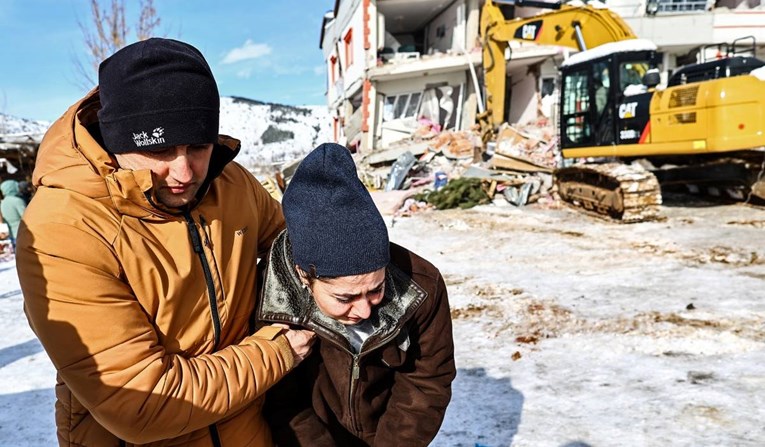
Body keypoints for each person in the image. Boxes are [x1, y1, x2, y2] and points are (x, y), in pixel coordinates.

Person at [17, 38, 315, 446]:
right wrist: (279, 350)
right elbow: (143, 403)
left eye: (198, 145)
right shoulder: (64, 228)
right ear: (115, 138)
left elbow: (296, 244)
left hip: (247, 431)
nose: (184, 172)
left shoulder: (231, 183)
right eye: (158, 149)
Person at [256, 143, 456, 446]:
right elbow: (280, 402)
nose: (364, 311)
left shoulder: (422, 286)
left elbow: (426, 383)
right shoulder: (269, 297)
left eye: (376, 289)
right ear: (303, 276)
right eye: (345, 298)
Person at [0, 179, 26, 248]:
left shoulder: (2, 203)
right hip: (23, 234)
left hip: (11, 235)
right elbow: (27, 217)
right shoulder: (17, 201)